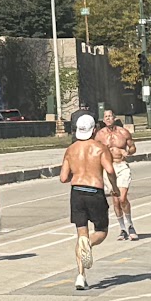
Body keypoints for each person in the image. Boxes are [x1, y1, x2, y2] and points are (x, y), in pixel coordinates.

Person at [58, 113, 113, 290]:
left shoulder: (71, 150)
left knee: (81, 234)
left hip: (77, 192)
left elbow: (63, 177)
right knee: (101, 231)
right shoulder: (100, 148)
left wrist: (78, 173)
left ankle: (81, 276)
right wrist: (115, 188)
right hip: (94, 191)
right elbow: (110, 169)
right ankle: (88, 244)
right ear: (94, 129)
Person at [95, 108, 139, 239]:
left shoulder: (123, 132)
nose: (108, 118)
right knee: (115, 201)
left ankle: (130, 225)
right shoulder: (100, 135)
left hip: (122, 166)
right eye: (106, 117)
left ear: (114, 118)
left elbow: (133, 147)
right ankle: (122, 228)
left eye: (110, 116)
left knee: (122, 198)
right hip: (109, 168)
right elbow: (95, 152)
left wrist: (128, 152)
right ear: (103, 120)